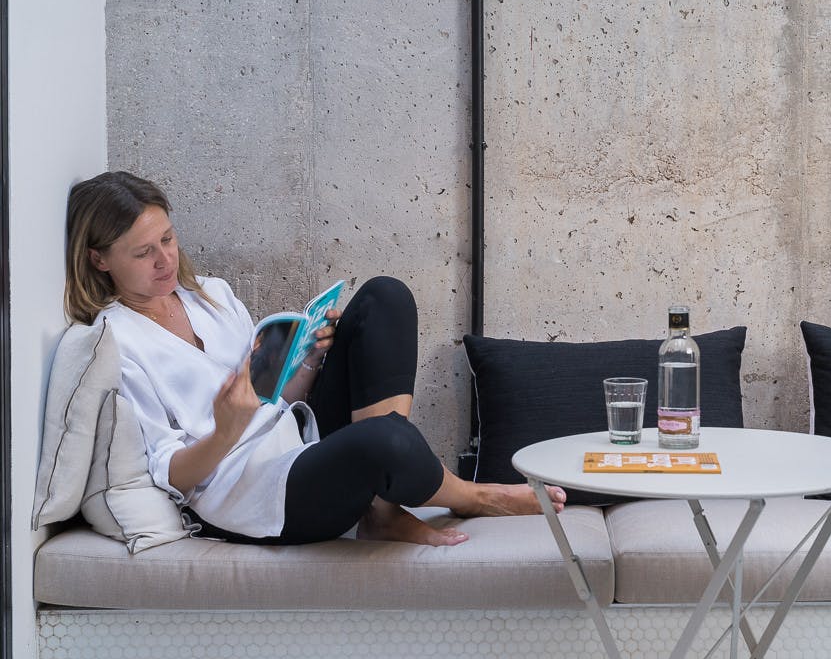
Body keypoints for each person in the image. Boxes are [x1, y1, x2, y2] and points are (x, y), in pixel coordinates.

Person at [64, 170, 565, 546]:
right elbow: (172, 475)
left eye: (168, 239)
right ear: (98, 259)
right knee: (385, 440)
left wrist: (306, 361)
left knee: (384, 297)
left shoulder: (211, 295)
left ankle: (381, 509)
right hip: (248, 493)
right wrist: (224, 431)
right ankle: (475, 496)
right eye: (143, 253)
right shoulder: (116, 341)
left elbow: (275, 400)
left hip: (295, 438)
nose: (165, 260)